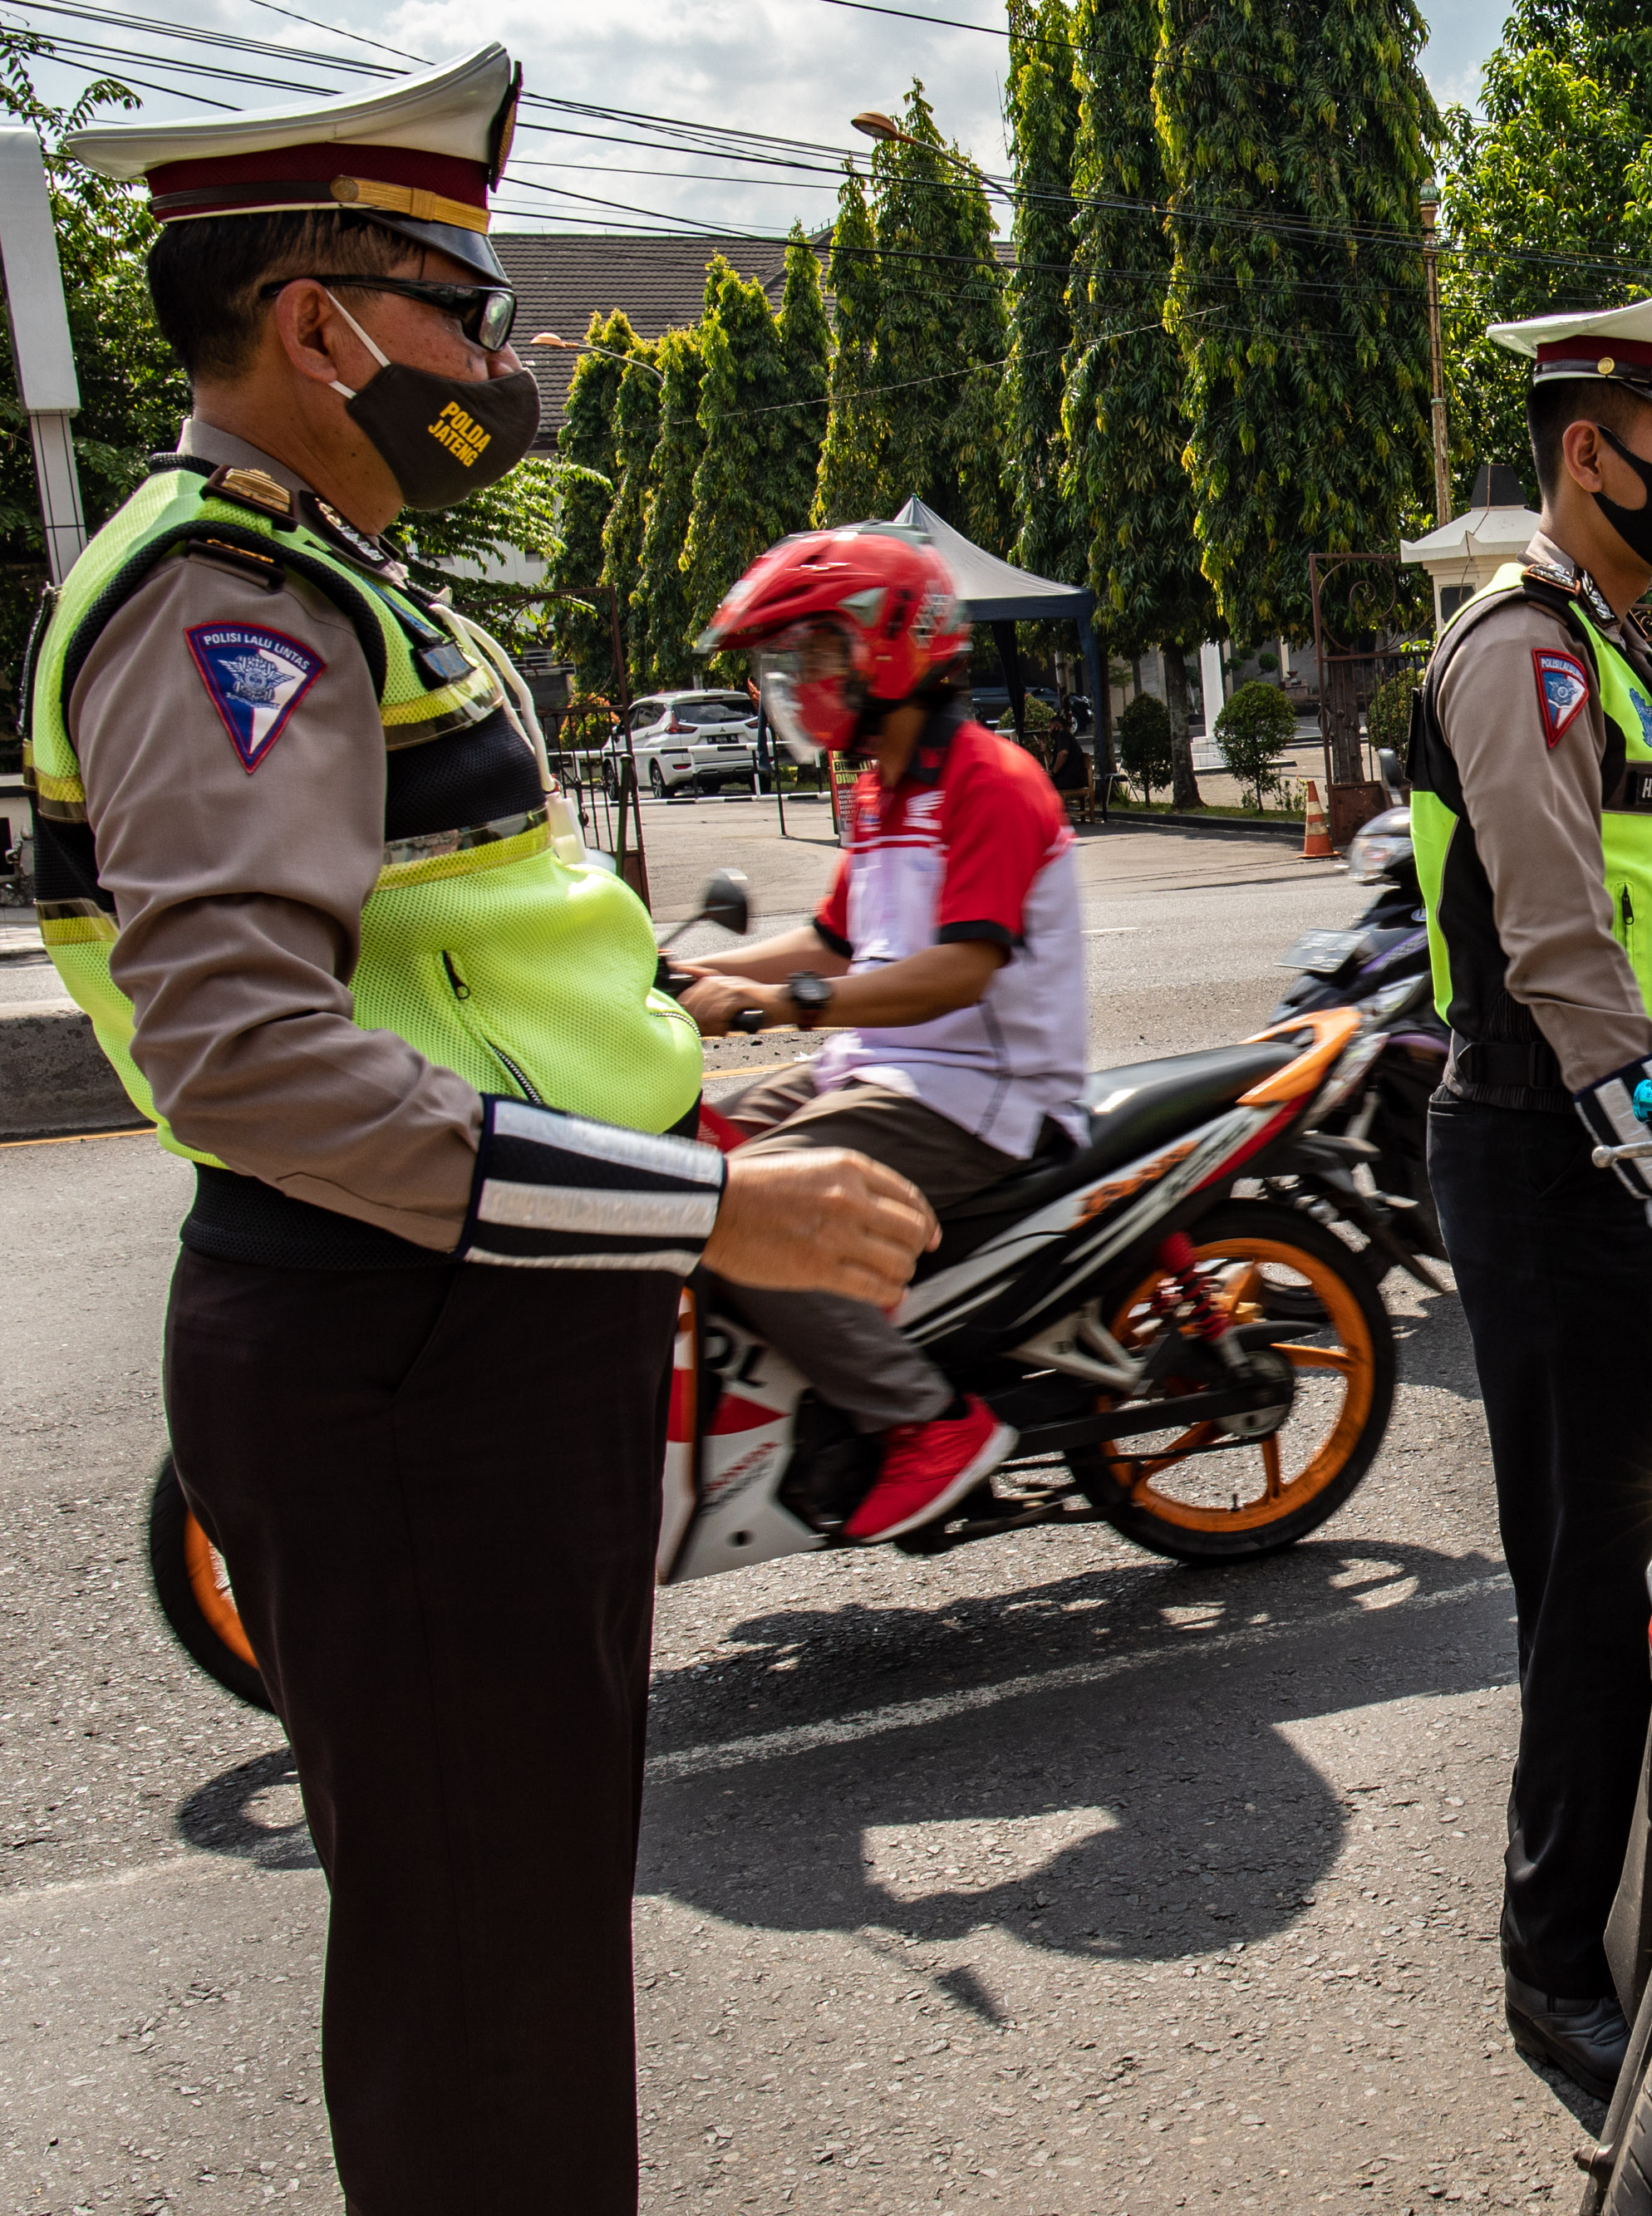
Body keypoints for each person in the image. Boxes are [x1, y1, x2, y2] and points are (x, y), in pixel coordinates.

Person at [58, 48, 930, 2210]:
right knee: (484, 1988)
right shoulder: (226, 598)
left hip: (470, 1326)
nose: (503, 351)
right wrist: (706, 1197)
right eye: (462, 301)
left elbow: (451, 971)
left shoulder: (334, 570)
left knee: (511, 1939)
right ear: (314, 322)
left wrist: (671, 1108)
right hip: (405, 1346)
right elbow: (254, 1061)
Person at [1409, 274, 1652, 2096]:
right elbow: (1559, 956)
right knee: (1584, 1573)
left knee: (1631, 1550)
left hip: (1625, 1151)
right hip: (1560, 1168)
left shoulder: (1617, 650)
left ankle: (1610, 1892)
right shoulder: (1520, 648)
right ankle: (1551, 1957)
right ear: (1583, 453)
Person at [680, 527, 1094, 1542]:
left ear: (889, 649)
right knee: (673, 1149)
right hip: (880, 1073)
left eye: (815, 655)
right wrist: (689, 971)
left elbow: (957, 972)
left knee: (733, 1216)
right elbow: (829, 939)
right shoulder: (878, 786)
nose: (796, 680)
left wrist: (778, 1007)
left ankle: (928, 1420)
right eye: (792, 663)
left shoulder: (988, 782)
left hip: (983, 1095)